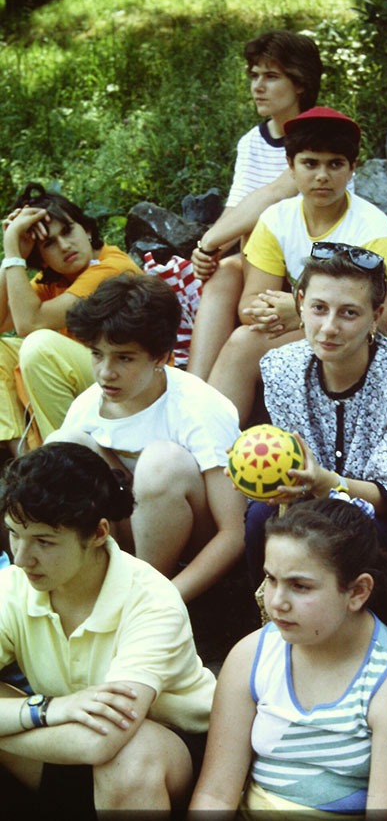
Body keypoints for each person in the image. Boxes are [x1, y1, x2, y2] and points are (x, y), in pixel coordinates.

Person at [0, 442, 217, 815]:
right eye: (14, 534)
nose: (21, 558)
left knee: (127, 757)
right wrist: (46, 710)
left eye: (43, 541)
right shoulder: (13, 585)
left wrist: (22, 721)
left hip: (163, 755)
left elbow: (100, 742)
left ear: (99, 533)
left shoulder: (152, 600)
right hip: (64, 738)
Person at [189, 495, 387, 815]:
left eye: (300, 586)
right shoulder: (252, 656)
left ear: (358, 591)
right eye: (271, 579)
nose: (276, 602)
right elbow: (215, 795)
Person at [244, 244, 387, 604]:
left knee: (349, 532)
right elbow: (293, 468)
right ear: (300, 303)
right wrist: (267, 477)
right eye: (319, 308)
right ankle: (277, 618)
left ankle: (375, 631)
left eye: (349, 313)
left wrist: (327, 483)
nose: (329, 328)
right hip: (316, 511)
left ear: (376, 315)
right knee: (260, 517)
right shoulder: (280, 367)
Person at [208, 107, 387, 425]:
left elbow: (381, 320)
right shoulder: (276, 219)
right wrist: (302, 315)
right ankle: (210, 441)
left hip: (380, 337)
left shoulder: (372, 229)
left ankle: (209, 439)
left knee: (245, 344)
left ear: (352, 169)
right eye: (310, 163)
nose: (322, 176)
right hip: (319, 326)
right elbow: (250, 305)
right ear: (291, 167)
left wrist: (300, 312)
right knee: (244, 340)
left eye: (335, 164)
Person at [46, 273, 245, 604]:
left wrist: (165, 600)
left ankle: (140, 598)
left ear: (160, 357)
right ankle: (92, 580)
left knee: (161, 463)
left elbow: (233, 532)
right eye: (97, 354)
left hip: (190, 547)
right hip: (124, 536)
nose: (106, 372)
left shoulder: (199, 407)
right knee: (65, 444)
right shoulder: (87, 406)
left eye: (124, 358)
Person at [186, 29, 324, 381]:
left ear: (300, 84)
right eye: (254, 76)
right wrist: (209, 253)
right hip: (264, 265)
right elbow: (237, 210)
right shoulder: (252, 142)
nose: (257, 87)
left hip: (311, 263)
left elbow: (273, 195)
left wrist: (209, 242)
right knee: (222, 273)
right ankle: (195, 386)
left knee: (241, 250)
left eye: (271, 76)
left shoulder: (320, 137)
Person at [0, 182, 141, 454]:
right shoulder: (56, 277)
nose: (65, 246)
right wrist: (13, 253)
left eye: (67, 231)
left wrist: (12, 252)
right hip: (95, 375)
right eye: (49, 243)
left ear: (86, 230)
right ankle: (25, 456)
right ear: (41, 259)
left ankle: (67, 462)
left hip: (132, 380)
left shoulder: (112, 268)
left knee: (39, 346)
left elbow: (28, 324)